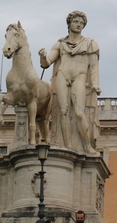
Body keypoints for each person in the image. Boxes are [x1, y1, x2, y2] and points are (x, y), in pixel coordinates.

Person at [38, 10, 100, 154]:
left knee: (79, 112)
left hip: (80, 77)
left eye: (81, 23)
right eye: (76, 22)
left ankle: (87, 146)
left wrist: (95, 83)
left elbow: (94, 67)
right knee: (63, 112)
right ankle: (66, 147)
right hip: (62, 75)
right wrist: (42, 56)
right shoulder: (60, 44)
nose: (79, 25)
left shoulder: (90, 44)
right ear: (69, 23)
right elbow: (47, 63)